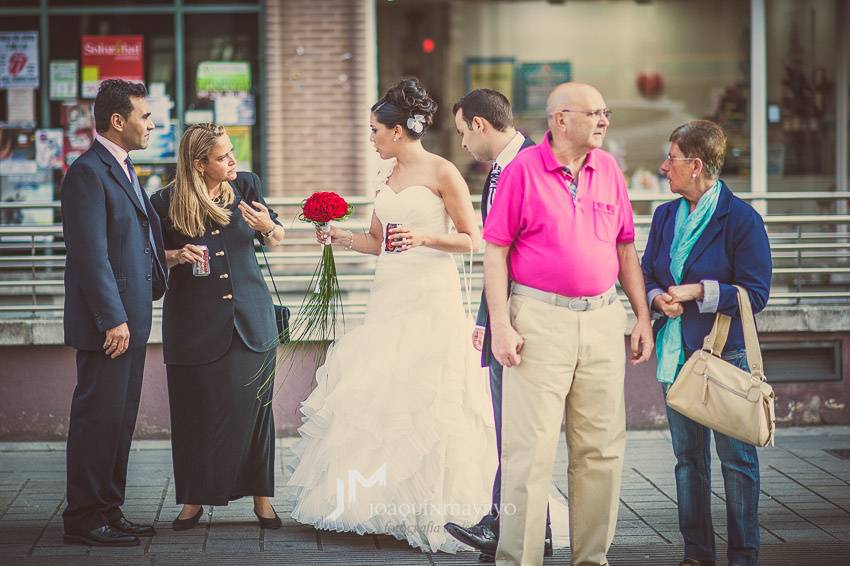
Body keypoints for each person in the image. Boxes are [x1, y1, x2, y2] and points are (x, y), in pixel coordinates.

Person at [287, 78, 497, 553]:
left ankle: (438, 505)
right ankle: (381, 505)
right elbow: (378, 242)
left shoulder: (443, 172)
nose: (372, 138)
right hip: (390, 295)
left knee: (430, 392)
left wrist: (423, 239)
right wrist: (337, 236)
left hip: (431, 296)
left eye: (375, 131)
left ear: (399, 131)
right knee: (386, 390)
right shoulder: (387, 179)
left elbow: (473, 238)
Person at [483, 82, 654, 566]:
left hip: (602, 319)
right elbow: (496, 249)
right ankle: (519, 560)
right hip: (538, 319)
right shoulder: (522, 172)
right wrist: (501, 323)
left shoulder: (609, 170)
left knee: (600, 451)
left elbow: (625, 248)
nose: (603, 121)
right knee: (529, 455)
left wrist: (641, 315)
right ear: (560, 120)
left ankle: (591, 559)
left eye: (606, 112)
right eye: (593, 113)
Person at [641, 120, 771, 566]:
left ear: (696, 166)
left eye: (671, 159)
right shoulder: (664, 216)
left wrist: (699, 292)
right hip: (677, 354)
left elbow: (755, 295)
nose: (664, 167)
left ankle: (743, 556)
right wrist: (659, 296)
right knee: (687, 461)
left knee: (737, 462)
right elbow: (647, 274)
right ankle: (697, 554)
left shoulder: (742, 220)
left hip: (725, 356)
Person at [149, 123, 285, 531]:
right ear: (198, 164)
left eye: (231, 152)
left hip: (251, 319)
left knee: (256, 413)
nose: (233, 160)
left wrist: (267, 227)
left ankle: (263, 500)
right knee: (194, 413)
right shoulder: (163, 202)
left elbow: (276, 237)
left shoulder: (246, 185)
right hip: (193, 325)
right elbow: (151, 263)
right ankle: (193, 500)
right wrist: (175, 255)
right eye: (222, 156)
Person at [444, 89, 560, 563]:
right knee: (510, 430)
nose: (463, 145)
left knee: (516, 432)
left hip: (527, 317)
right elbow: (496, 249)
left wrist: (503, 319)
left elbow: (526, 248)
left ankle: (505, 522)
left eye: (461, 133)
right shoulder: (499, 169)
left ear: (479, 124)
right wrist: (483, 318)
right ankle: (530, 528)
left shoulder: (533, 164)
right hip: (501, 315)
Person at [61, 79, 167, 546]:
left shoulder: (122, 167)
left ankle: (109, 508)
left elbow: (134, 237)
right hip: (111, 326)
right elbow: (89, 254)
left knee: (119, 421)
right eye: (145, 116)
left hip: (132, 321)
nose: (152, 124)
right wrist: (113, 318)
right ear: (118, 121)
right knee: (97, 421)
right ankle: (84, 518)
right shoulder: (87, 172)